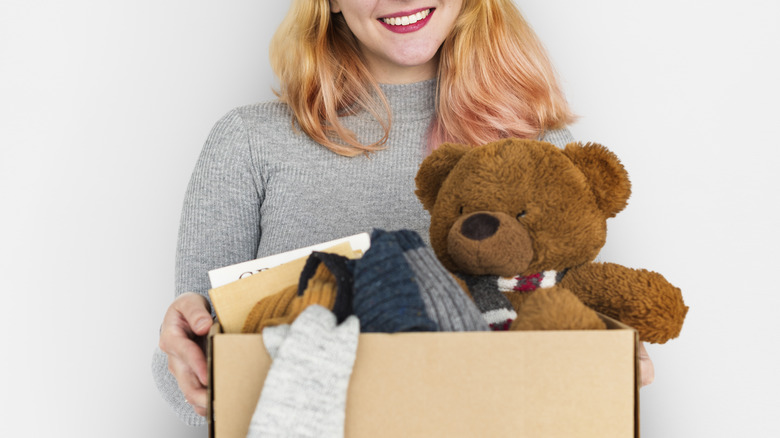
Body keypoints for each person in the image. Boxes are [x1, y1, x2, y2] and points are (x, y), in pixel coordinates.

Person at [153, 0, 653, 427]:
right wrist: (188, 362)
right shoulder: (248, 143)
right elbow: (195, 382)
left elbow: (574, 344)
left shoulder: (543, 152)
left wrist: (612, 355)